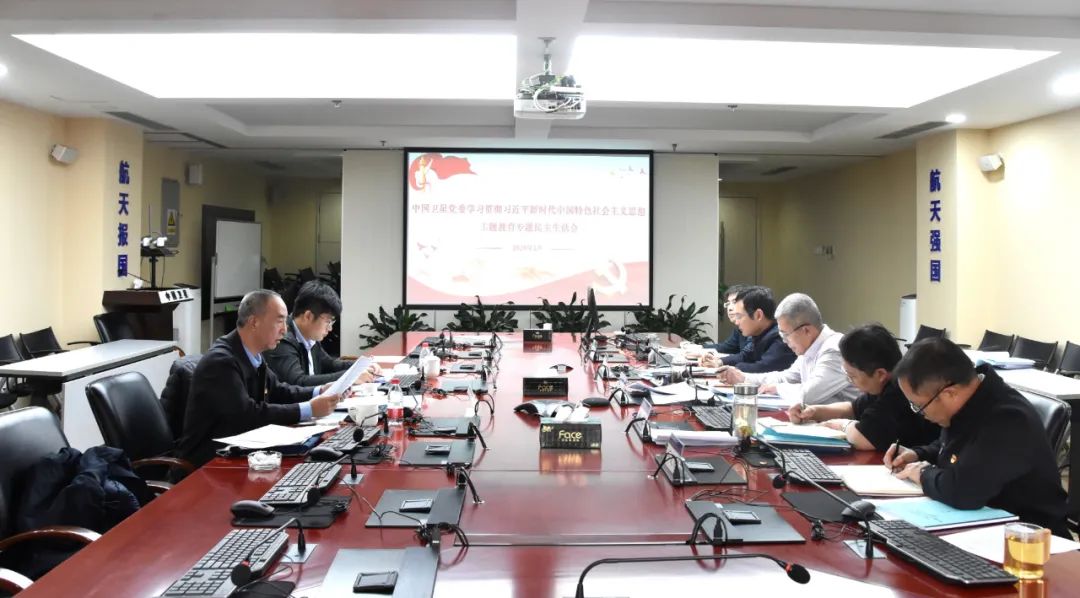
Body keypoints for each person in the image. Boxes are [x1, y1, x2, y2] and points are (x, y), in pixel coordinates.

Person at [884, 338, 1069, 538]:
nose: (921, 414)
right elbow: (954, 447)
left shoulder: (1008, 419)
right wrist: (917, 454)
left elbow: (963, 491)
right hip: (982, 525)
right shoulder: (971, 400)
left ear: (949, 393)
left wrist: (922, 473)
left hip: (1031, 540)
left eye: (919, 406)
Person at [178, 290, 343, 467]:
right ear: (254, 322)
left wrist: (319, 391)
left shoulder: (253, 355)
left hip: (239, 453)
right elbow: (248, 415)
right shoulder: (221, 361)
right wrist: (308, 409)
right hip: (208, 463)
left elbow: (279, 391)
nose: (285, 329)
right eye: (279, 321)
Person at [787, 324, 939, 450]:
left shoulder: (898, 391)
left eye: (852, 376)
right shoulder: (881, 384)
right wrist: (813, 411)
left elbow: (864, 439)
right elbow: (852, 408)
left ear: (880, 374)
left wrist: (843, 426)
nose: (850, 381)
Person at [717, 293, 858, 405]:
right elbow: (786, 377)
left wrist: (778, 388)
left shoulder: (834, 350)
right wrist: (743, 378)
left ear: (806, 330)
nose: (784, 341)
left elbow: (809, 395)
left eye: (785, 334)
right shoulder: (809, 348)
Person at [265, 280, 378, 386]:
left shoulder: (309, 335)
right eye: (328, 321)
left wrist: (361, 366)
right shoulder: (282, 340)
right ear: (308, 316)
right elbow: (298, 382)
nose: (330, 328)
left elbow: (329, 364)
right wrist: (349, 377)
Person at [700, 286, 795, 373]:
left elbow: (763, 368)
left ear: (758, 315)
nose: (736, 322)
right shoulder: (759, 334)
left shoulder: (780, 337)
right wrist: (719, 362)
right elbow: (745, 356)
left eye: (739, 316)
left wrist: (729, 368)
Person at [701, 285, 748, 354]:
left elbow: (746, 357)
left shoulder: (756, 330)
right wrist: (700, 347)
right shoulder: (739, 328)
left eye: (734, 302)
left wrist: (719, 360)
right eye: (728, 303)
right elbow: (727, 347)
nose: (730, 308)